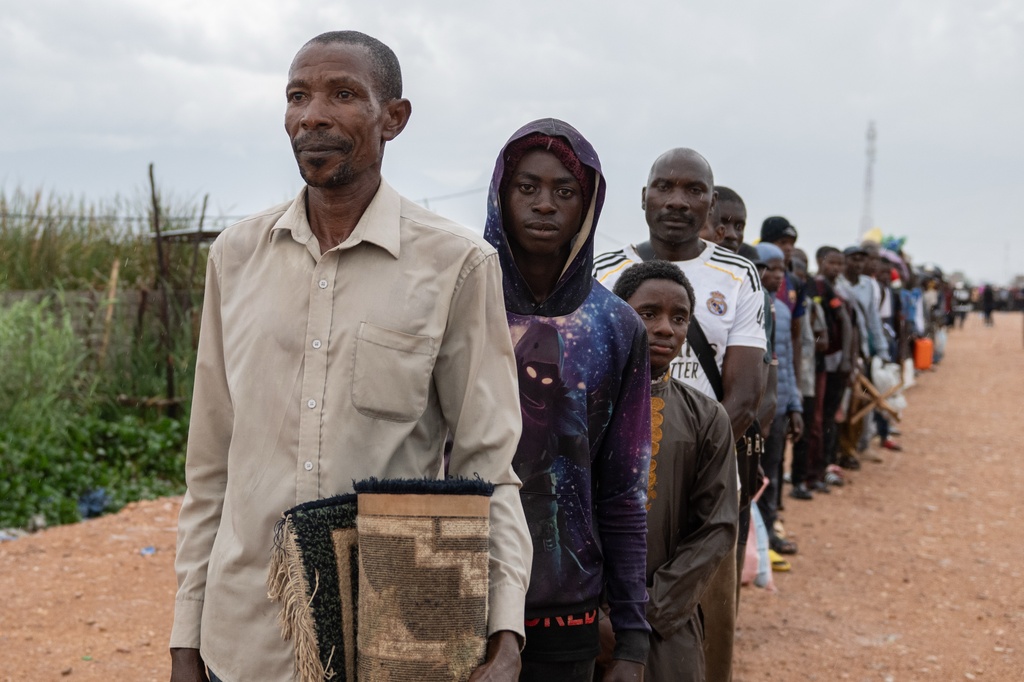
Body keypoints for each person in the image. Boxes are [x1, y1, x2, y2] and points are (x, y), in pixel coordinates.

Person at [170, 31, 531, 682]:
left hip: (393, 639)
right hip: (243, 639)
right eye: (298, 97)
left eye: (342, 95)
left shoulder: (456, 265)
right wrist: (185, 640)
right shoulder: (235, 257)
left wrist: (504, 634)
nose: (313, 115)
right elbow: (209, 468)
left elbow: (489, 466)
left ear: (393, 117)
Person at [484, 119, 651, 682]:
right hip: (453, 587)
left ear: (589, 203)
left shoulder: (615, 326)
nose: (545, 205)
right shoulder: (455, 306)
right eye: (526, 187)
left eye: (565, 191)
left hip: (563, 605)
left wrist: (631, 638)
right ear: (501, 194)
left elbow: (624, 487)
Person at [594, 148, 766, 682]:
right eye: (664, 187)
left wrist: (683, 458)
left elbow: (742, 395)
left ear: (711, 204)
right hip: (606, 477)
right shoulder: (602, 270)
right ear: (643, 197)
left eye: (693, 190)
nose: (676, 200)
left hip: (699, 488)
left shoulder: (739, 274)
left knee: (697, 641)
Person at [609, 260, 738, 682]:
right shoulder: (577, 405)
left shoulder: (707, 417)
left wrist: (650, 609)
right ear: (616, 313)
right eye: (649, 314)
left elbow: (716, 526)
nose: (666, 328)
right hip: (578, 620)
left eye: (679, 318)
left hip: (665, 620)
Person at [754, 242, 803, 555]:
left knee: (771, 473)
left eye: (779, 269)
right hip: (751, 409)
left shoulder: (783, 311)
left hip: (779, 405)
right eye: (767, 267)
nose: (774, 275)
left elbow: (785, 362)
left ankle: (768, 533)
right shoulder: (747, 304)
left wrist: (794, 404)